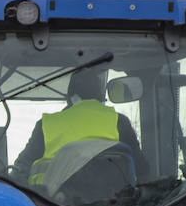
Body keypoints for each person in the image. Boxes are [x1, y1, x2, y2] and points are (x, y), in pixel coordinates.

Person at [10, 67, 147, 188]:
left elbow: (19, 173)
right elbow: (142, 169)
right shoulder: (119, 122)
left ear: (69, 98)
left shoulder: (47, 124)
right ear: (100, 97)